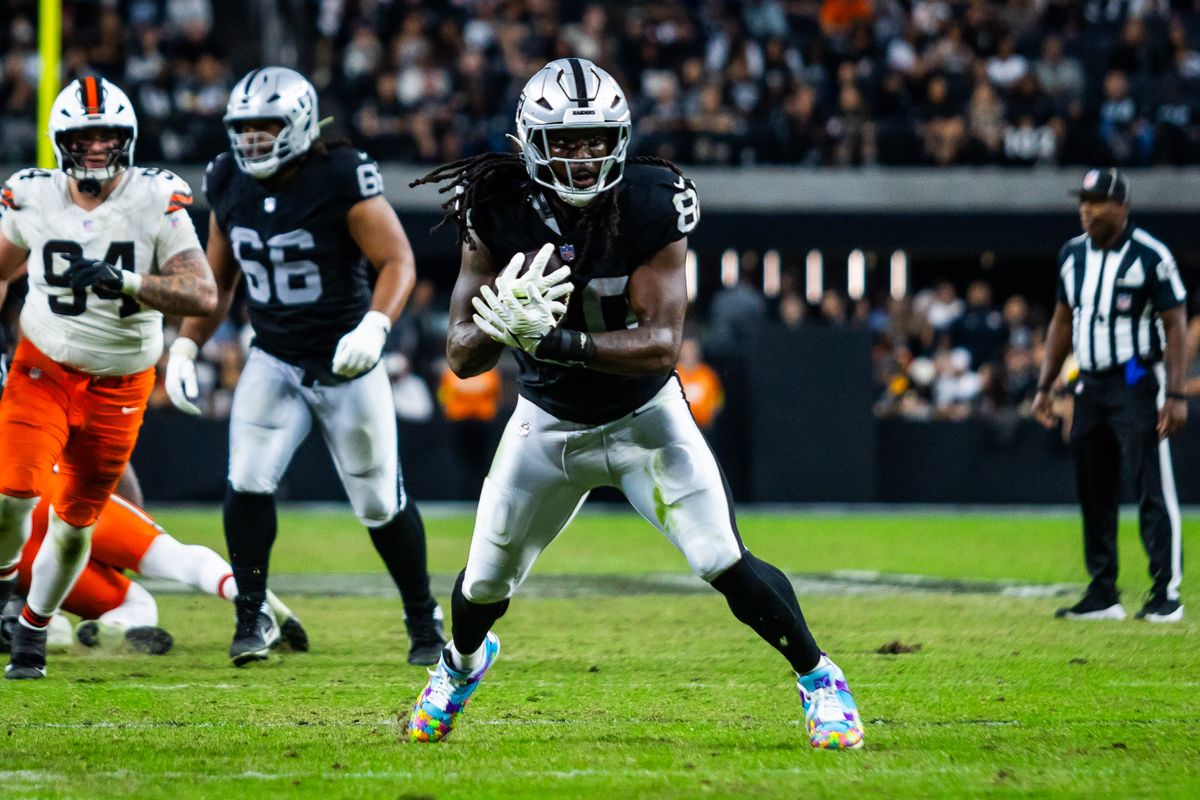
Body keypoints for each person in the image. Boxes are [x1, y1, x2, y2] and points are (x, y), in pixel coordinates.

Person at [404, 58, 864, 751]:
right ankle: (460, 665)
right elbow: (462, 356)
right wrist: (499, 326)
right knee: (482, 586)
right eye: (567, 140)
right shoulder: (492, 205)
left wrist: (554, 338)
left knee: (721, 559)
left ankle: (821, 680)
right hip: (547, 424)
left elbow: (660, 347)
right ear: (531, 141)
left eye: (596, 139)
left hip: (645, 418)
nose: (584, 157)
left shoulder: (654, 200)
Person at [163, 67, 444, 667]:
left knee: (377, 502)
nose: (254, 139)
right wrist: (185, 345)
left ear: (301, 124)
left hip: (347, 360)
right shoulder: (226, 177)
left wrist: (376, 325)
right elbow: (219, 279)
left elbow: (397, 261)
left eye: (268, 125)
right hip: (274, 356)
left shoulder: (340, 174)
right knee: (247, 481)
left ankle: (424, 618)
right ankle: (253, 615)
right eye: (244, 128)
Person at [0, 76, 218, 679]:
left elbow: (202, 292)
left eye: (107, 138)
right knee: (10, 497)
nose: (96, 149)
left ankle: (31, 633)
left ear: (128, 140)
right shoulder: (30, 197)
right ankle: (4, 593)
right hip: (41, 368)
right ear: (59, 141)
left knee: (74, 526)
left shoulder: (155, 198)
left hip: (120, 384)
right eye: (83, 137)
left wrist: (124, 281)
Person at [1033, 168, 1187, 623]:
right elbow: (1062, 321)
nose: (1087, 209)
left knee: (1150, 483)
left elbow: (1176, 322)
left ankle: (1166, 593)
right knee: (1093, 487)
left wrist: (1175, 392)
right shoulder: (1072, 255)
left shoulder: (1149, 255)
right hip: (1089, 382)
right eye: (1083, 200)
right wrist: (1046, 385)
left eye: (1097, 201)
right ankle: (1103, 592)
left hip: (1137, 375)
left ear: (1121, 207)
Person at [0, 493, 308, 656]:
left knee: (135, 604)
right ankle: (261, 605)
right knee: (177, 559)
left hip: (18, 553)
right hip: (53, 496)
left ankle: (105, 628)